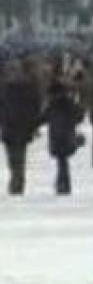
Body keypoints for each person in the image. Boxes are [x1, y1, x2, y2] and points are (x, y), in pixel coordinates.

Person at [0, 59, 43, 195]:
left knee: (13, 158)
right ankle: (18, 181)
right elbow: (35, 109)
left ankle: (16, 181)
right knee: (20, 156)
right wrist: (34, 125)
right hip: (23, 128)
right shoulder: (30, 88)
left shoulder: (5, 90)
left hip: (9, 127)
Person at [43, 82, 85, 195]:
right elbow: (79, 116)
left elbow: (43, 118)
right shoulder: (69, 103)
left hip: (56, 136)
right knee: (63, 161)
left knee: (61, 161)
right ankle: (63, 183)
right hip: (67, 135)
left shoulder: (52, 105)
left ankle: (62, 184)